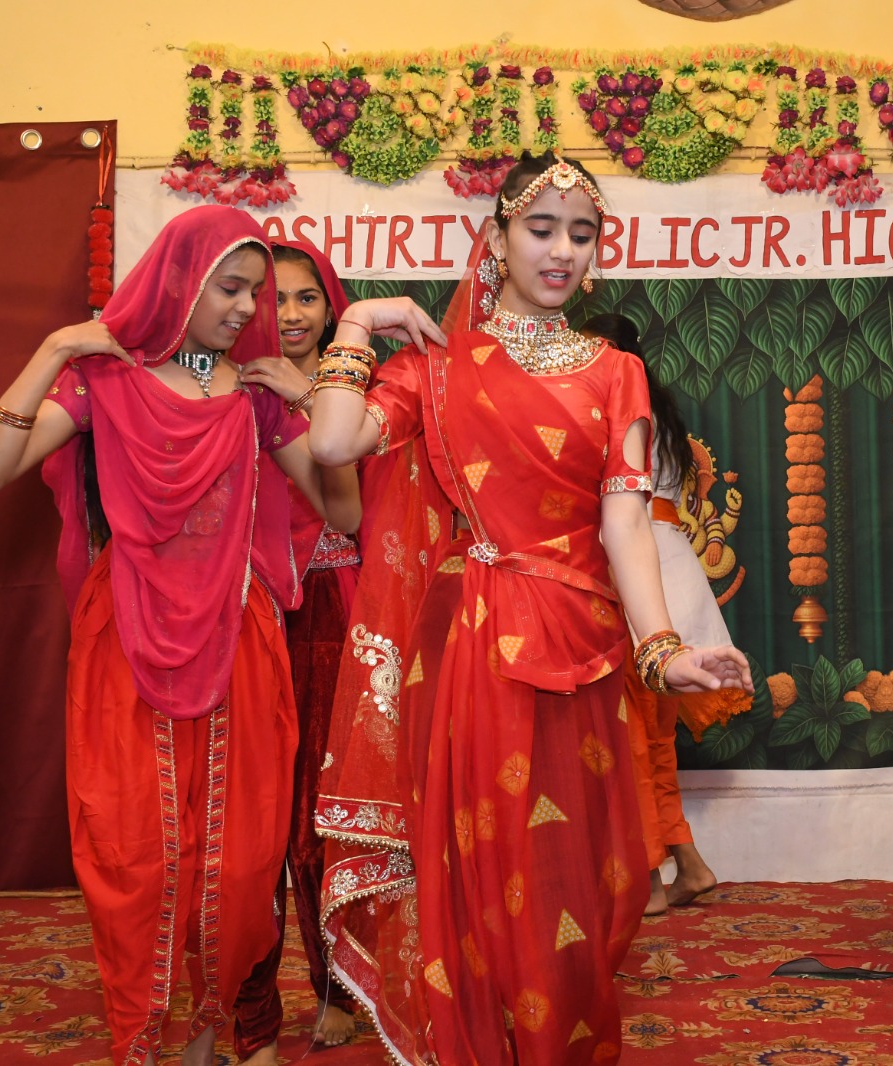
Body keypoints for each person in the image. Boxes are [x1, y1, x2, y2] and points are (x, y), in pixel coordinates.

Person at [302, 150, 752, 1066]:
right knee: (481, 867)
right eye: (540, 229)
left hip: (586, 647)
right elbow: (334, 439)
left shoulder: (615, 371)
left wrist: (663, 649)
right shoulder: (436, 365)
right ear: (498, 238)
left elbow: (625, 521)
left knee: (592, 883)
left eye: (581, 234)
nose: (562, 252)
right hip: (471, 649)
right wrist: (356, 320)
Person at [0, 204, 437, 1066]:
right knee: (134, 855)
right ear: (180, 282)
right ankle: (140, 1038)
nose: (247, 308)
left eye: (255, 291)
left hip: (237, 633)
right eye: (231, 288)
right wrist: (58, 348)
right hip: (128, 632)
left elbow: (345, 513)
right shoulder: (105, 379)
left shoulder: (254, 395)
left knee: (242, 858)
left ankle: (209, 1032)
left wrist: (308, 400)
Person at [230, 239, 362, 1063]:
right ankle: (249, 1011)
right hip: (242, 615)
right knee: (248, 820)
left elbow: (360, 509)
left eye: (307, 297)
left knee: (324, 811)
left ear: (332, 306)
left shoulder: (355, 392)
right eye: (270, 298)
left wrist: (311, 399)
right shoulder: (224, 386)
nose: (290, 315)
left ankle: (338, 985)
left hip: (329, 611)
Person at [582, 312, 745, 918]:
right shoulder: (659, 416)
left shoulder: (612, 415)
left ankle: (649, 880)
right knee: (654, 743)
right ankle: (689, 865)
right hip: (675, 580)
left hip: (632, 581)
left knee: (632, 742)